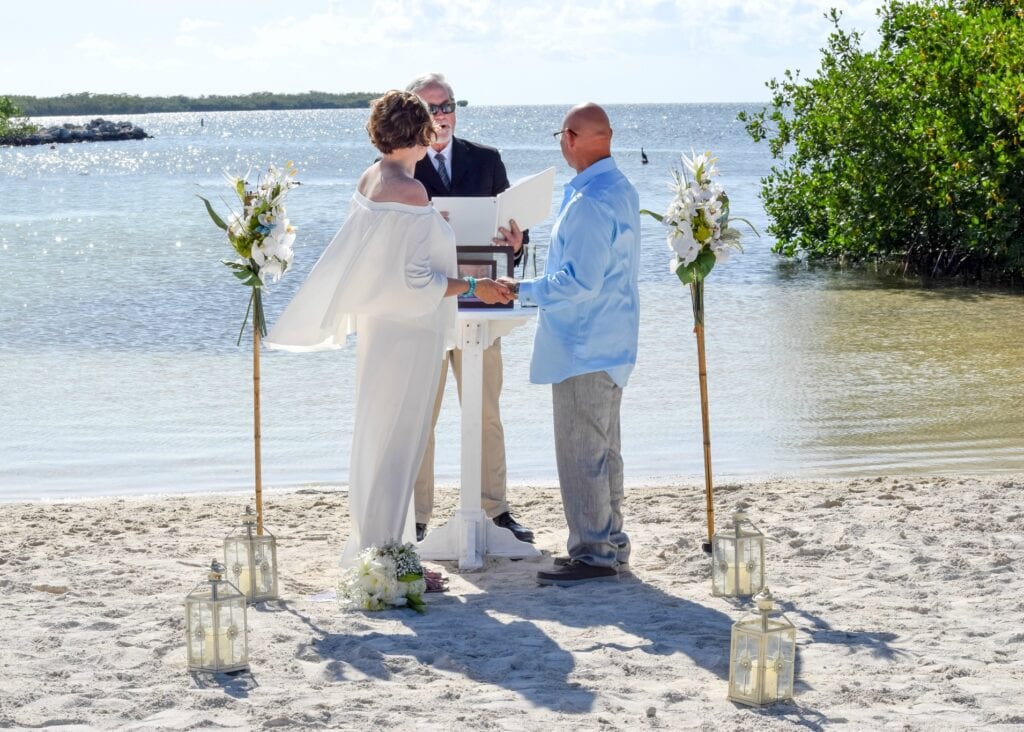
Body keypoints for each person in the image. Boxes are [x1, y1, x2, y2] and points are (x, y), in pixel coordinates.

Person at [264, 90, 511, 566]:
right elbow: (417, 281)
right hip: (408, 334)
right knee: (401, 441)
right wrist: (477, 284)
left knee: (378, 436)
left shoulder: (371, 176)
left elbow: (375, 266)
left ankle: (380, 547)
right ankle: (391, 557)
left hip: (380, 330)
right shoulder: (411, 190)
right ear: (418, 132)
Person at [499, 103, 640, 586]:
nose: (560, 142)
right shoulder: (618, 188)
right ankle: (610, 545)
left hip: (584, 343)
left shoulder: (589, 201)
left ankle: (593, 553)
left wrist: (521, 289)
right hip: (612, 338)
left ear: (574, 138)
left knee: (584, 454)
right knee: (604, 452)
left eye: (561, 134)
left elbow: (578, 282)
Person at [405, 72, 535, 545]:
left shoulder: (487, 160)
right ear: (413, 114)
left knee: (486, 412)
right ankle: (417, 517)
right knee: (422, 413)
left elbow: (512, 237)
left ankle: (494, 511)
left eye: (447, 106)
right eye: (430, 108)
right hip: (425, 308)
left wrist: (518, 244)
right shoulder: (402, 166)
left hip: (483, 307)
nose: (441, 116)